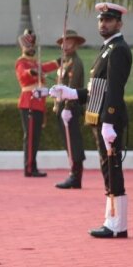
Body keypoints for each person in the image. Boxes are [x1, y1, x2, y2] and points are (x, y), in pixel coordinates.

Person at [49, 2, 132, 238]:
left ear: (119, 23)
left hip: (110, 120)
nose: (103, 24)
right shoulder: (107, 49)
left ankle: (117, 224)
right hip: (102, 119)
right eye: (101, 20)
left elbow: (114, 90)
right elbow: (97, 89)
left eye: (109, 20)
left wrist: (108, 121)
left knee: (113, 169)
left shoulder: (118, 50)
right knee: (108, 169)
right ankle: (112, 220)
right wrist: (70, 93)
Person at [14, 30, 58, 177]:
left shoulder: (35, 63)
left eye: (32, 46)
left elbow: (44, 68)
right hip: (29, 102)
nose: (31, 49)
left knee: (36, 137)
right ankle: (29, 168)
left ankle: (32, 166)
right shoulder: (21, 62)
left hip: (38, 103)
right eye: (29, 46)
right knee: (31, 136)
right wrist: (32, 72)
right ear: (23, 47)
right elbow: (23, 73)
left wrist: (58, 62)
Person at [54, 29, 87, 189]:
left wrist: (67, 107)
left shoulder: (75, 62)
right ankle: (73, 174)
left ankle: (76, 176)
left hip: (71, 107)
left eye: (68, 42)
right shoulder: (65, 61)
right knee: (69, 143)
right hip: (62, 106)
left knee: (74, 142)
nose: (65, 45)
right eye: (63, 42)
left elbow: (73, 86)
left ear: (75, 44)